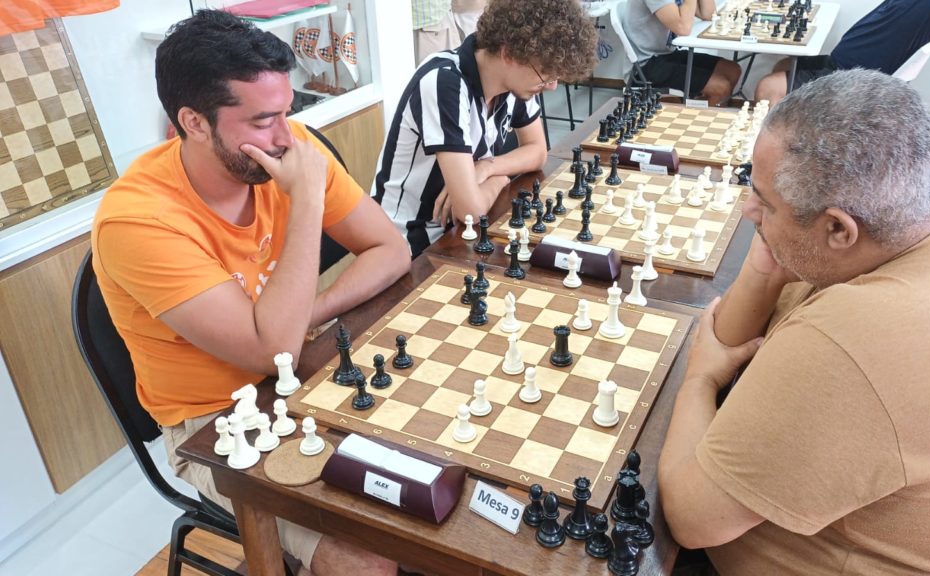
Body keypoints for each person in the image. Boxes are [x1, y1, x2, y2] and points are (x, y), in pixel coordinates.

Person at [658, 69, 930, 574]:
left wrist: (700, 377)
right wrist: (767, 269)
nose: (748, 211)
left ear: (837, 228)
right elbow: (736, 336)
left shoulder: (857, 341)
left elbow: (690, 519)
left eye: (764, 202)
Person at [92, 11, 410, 576]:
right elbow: (270, 350)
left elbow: (391, 249)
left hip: (306, 368)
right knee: (369, 560)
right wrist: (309, 202)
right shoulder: (137, 220)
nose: (286, 137)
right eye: (263, 120)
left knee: (446, 492)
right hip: (213, 424)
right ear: (193, 121)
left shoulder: (291, 148)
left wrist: (306, 312)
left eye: (288, 112)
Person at [374, 0, 596, 257]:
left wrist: (487, 167)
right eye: (545, 72)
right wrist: (501, 179)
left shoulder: (516, 83)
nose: (551, 85)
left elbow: (537, 152)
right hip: (409, 246)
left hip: (458, 234)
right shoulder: (444, 83)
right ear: (509, 55)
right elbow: (470, 211)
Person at [755, 0, 930, 104]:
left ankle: (776, 165)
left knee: (769, 87)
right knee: (784, 65)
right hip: (841, 66)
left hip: (855, 80)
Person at [621, 0, 741, 106]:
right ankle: (696, 125)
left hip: (666, 54)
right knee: (721, 88)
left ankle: (700, 109)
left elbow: (709, 14)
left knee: (733, 70)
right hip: (645, 65)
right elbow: (683, 28)